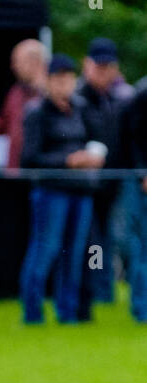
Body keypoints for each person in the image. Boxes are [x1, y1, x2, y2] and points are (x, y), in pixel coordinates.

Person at [18, 55, 101, 325]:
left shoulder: (81, 108)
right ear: (49, 80)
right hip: (51, 191)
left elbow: (95, 139)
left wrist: (93, 157)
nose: (64, 84)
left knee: (74, 254)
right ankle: (33, 313)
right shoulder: (37, 112)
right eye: (58, 79)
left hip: (81, 190)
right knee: (45, 250)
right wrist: (66, 161)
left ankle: (68, 312)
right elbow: (28, 158)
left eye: (68, 79)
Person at [75, 37, 135, 321]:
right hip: (83, 183)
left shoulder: (125, 97)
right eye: (98, 66)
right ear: (87, 66)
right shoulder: (76, 98)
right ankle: (91, 296)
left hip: (115, 181)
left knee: (116, 240)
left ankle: (107, 291)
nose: (103, 72)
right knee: (89, 243)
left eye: (107, 66)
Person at [0, 39, 47, 171]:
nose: (13, 66)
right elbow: (5, 128)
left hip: (40, 175)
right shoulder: (15, 93)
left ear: (35, 62)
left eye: (17, 61)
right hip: (15, 173)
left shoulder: (52, 95)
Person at [122, 78, 147, 323]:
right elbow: (133, 139)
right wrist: (142, 172)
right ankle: (142, 308)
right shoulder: (142, 94)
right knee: (142, 246)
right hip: (141, 184)